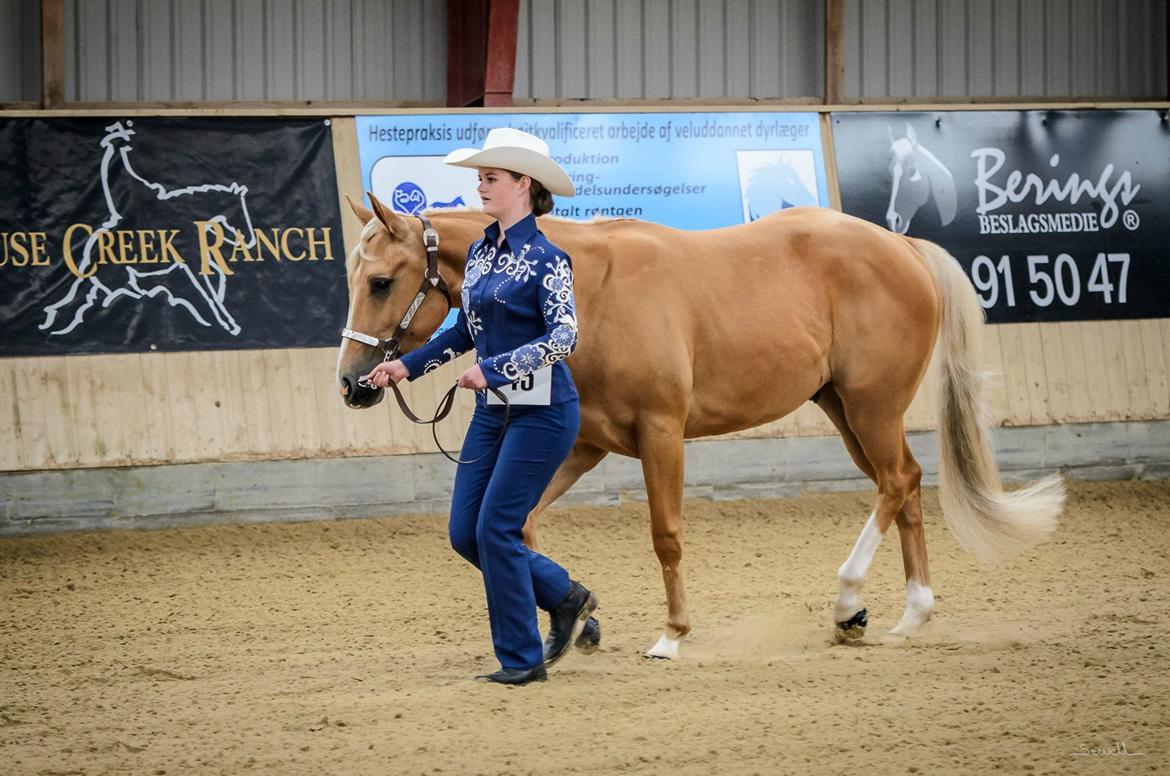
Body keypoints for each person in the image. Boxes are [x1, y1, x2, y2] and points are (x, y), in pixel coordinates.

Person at [362, 128, 598, 686]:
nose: (481, 185)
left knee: (496, 529)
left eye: (491, 178)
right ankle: (564, 595)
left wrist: (493, 369)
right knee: (465, 533)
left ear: (524, 185)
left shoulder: (549, 260)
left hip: (543, 414)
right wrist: (407, 365)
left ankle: (521, 662)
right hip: (495, 413)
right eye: (481, 177)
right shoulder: (486, 251)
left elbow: (564, 338)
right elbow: (467, 327)